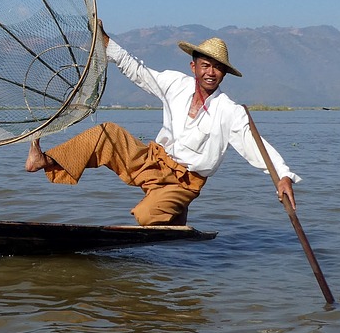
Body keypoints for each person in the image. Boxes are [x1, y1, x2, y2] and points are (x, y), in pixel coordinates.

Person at [24, 23, 299, 226]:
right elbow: (138, 71)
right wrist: (107, 43)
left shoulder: (229, 111)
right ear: (194, 67)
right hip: (152, 162)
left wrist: (282, 177)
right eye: (205, 65)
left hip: (183, 182)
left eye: (217, 68)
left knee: (146, 216)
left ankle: (172, 209)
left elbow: (256, 145)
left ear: (224, 74)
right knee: (106, 134)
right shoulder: (175, 84)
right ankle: (45, 161)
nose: (211, 72)